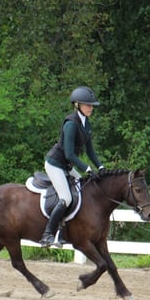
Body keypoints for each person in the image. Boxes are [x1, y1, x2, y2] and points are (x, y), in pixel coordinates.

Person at [39, 85, 105, 248]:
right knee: (66, 198)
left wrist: (101, 167)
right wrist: (87, 169)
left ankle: (64, 233)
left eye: (92, 105)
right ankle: (48, 234)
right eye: (87, 105)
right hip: (55, 164)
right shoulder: (71, 123)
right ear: (77, 105)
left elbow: (90, 151)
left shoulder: (86, 124)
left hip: (66, 166)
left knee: (82, 191)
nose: (91, 108)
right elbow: (69, 154)